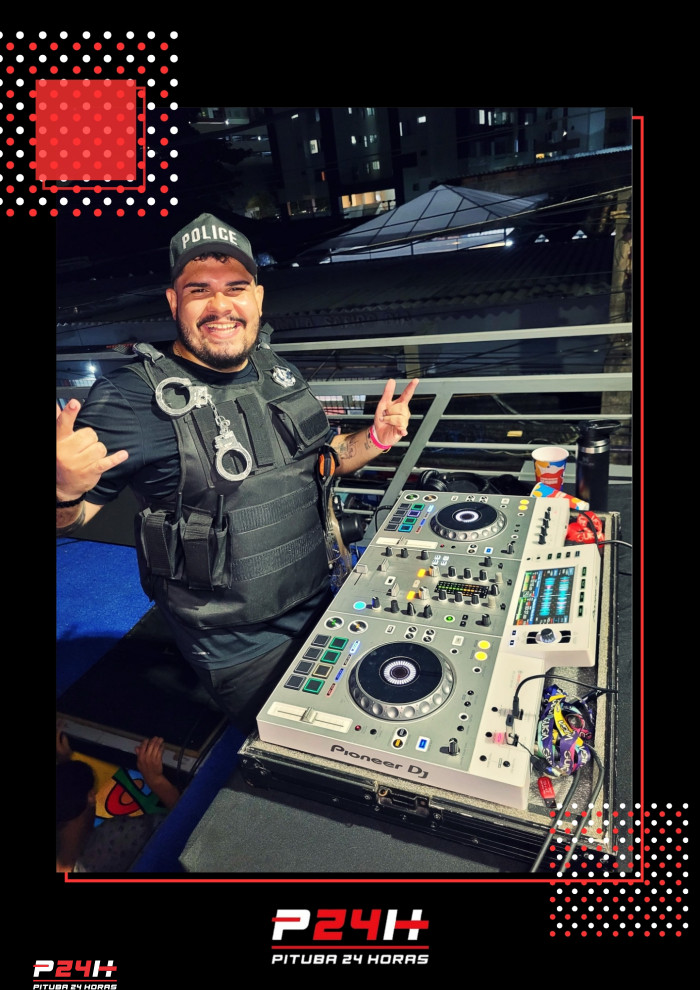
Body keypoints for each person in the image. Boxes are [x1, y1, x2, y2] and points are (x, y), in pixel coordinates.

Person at [56, 212, 419, 733]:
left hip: (323, 594)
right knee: (297, 749)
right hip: (239, 646)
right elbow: (72, 519)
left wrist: (378, 437)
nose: (221, 305)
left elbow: (324, 460)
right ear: (173, 301)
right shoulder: (129, 398)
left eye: (235, 287)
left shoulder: (278, 370)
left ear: (258, 299)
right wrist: (62, 489)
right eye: (199, 290)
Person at [56, 732, 180, 873]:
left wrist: (65, 768)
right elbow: (189, 827)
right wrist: (157, 781)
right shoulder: (113, 839)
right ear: (91, 797)